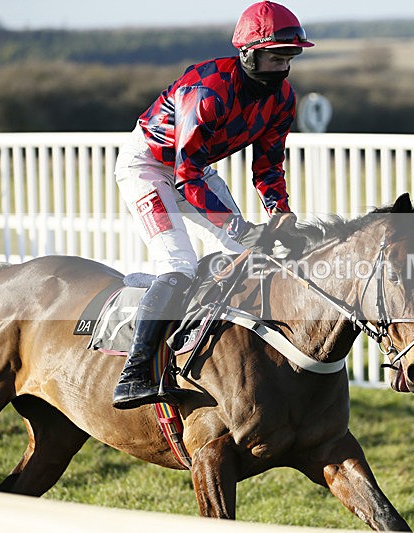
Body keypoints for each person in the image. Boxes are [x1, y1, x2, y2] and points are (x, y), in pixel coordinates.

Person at [112, 1, 314, 410]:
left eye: (288, 58)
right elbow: (184, 178)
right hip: (150, 165)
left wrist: (280, 214)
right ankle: (134, 374)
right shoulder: (206, 92)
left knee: (252, 255)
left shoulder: (284, 100)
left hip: (195, 167)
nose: (282, 69)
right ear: (248, 53)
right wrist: (240, 227)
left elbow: (268, 166)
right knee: (179, 265)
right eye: (275, 57)